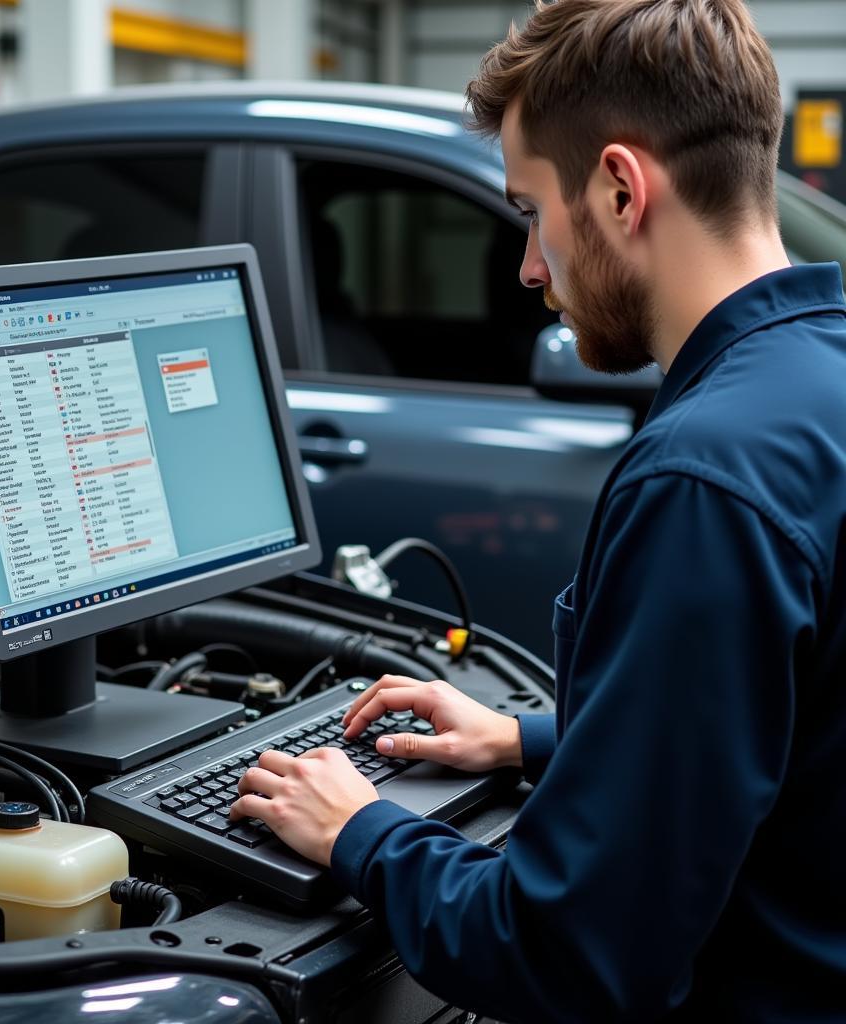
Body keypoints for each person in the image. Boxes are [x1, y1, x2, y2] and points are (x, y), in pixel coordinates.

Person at [230, 0, 846, 1018]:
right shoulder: (815, 381)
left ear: (616, 188)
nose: (527, 266)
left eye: (529, 211)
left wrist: (359, 831)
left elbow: (572, 955)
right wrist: (532, 740)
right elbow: (789, 734)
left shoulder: (702, 480)